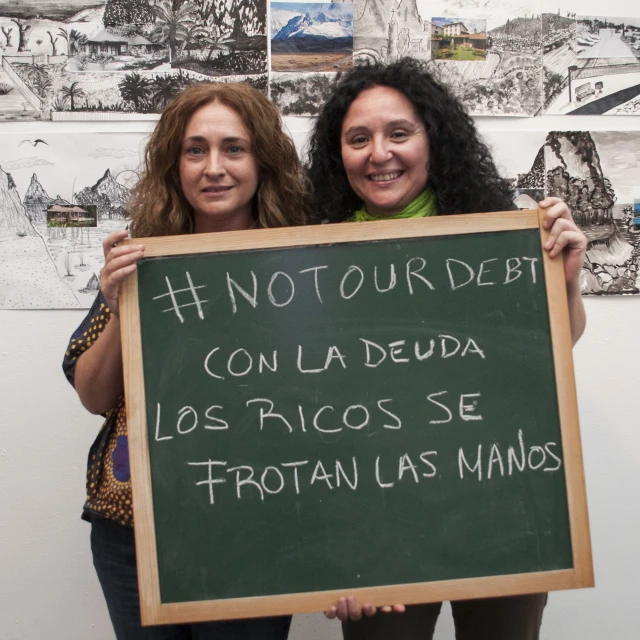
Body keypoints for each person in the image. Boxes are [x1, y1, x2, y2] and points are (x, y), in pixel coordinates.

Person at [306, 58, 587, 640]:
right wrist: (326, 557)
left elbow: (552, 347)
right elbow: (296, 415)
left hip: (499, 508)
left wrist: (567, 281)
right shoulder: (308, 262)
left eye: (399, 134)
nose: (378, 153)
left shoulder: (494, 239)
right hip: (373, 525)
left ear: (434, 142)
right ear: (340, 156)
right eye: (358, 139)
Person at [63, 82, 311, 639]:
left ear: (263, 161)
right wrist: (123, 302)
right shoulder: (143, 259)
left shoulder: (304, 270)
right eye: (195, 150)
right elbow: (94, 395)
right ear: (174, 166)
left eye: (234, 148)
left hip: (256, 534)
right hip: (135, 532)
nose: (213, 167)